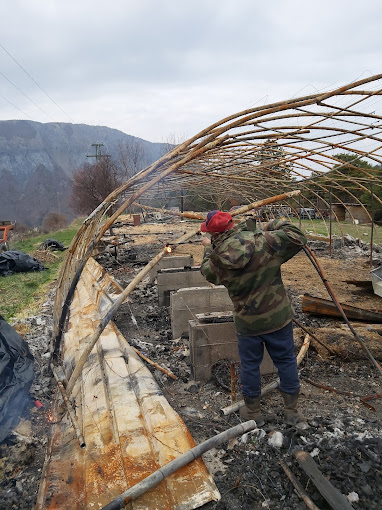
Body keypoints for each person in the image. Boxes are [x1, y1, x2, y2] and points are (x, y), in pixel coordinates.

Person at [200, 210, 307, 426]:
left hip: (248, 323)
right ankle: (292, 412)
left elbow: (205, 271)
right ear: (231, 225)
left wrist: (206, 248)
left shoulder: (217, 260)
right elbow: (297, 235)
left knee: (250, 366)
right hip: (278, 318)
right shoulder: (265, 242)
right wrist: (268, 224)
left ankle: (252, 412)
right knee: (286, 361)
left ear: (213, 234)